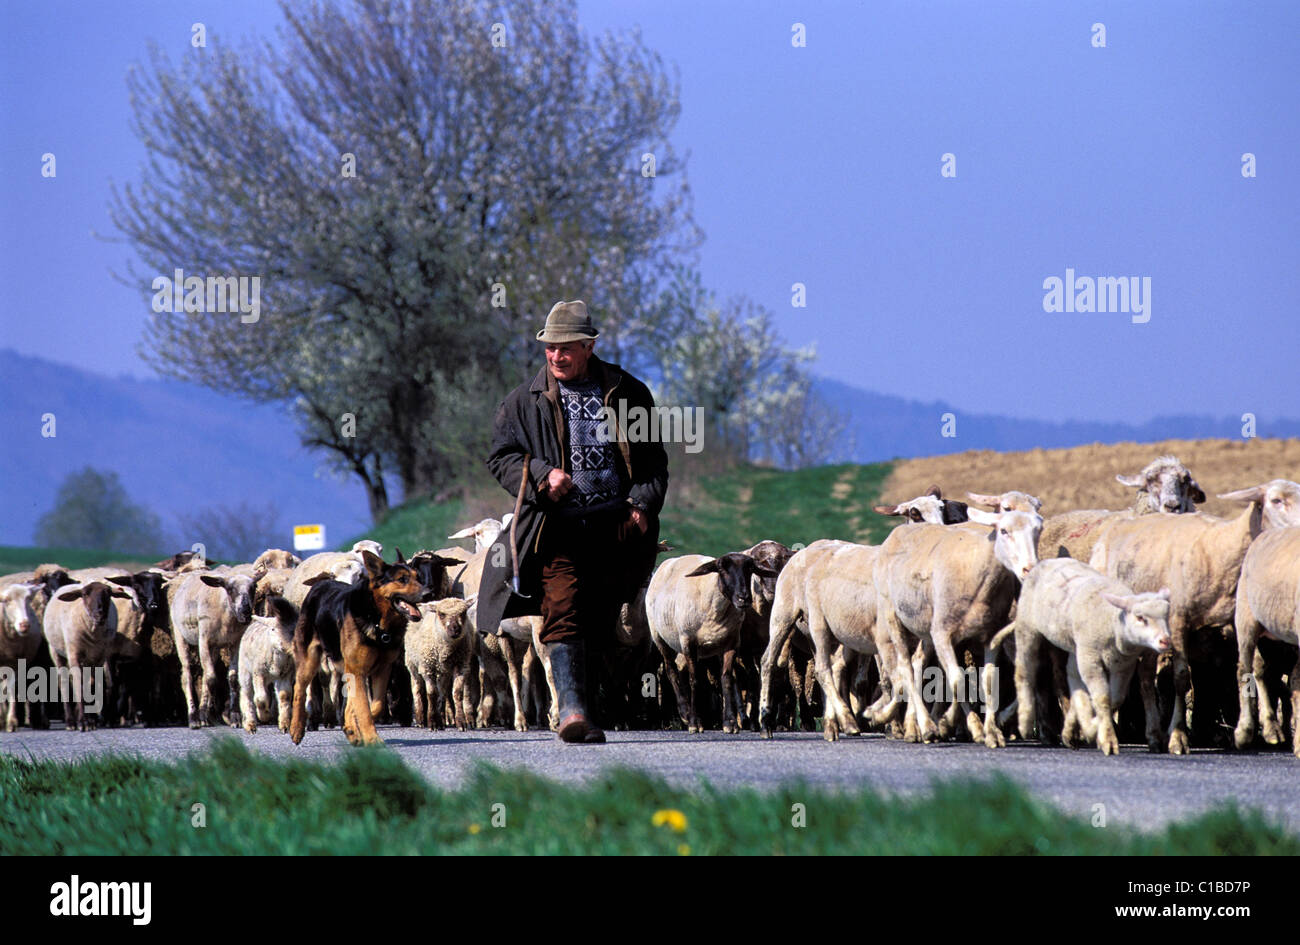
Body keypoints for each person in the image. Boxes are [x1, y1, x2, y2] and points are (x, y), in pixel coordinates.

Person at [479, 300, 668, 743]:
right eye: (549, 348)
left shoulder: (628, 393)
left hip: (615, 525)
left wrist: (642, 503)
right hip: (555, 526)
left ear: (589, 346)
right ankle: (572, 712)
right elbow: (500, 457)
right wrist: (542, 475)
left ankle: (599, 706)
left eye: (565, 348)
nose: (556, 356)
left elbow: (653, 462)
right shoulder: (523, 402)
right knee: (560, 607)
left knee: (604, 615)